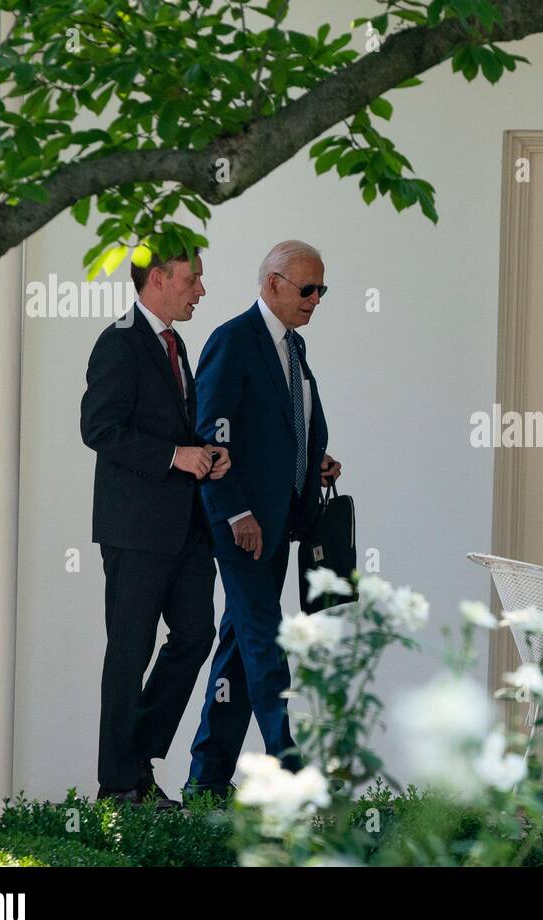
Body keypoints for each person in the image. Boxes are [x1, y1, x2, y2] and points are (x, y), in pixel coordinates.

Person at [186, 240, 341, 799]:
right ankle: (291, 770)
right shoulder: (234, 340)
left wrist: (310, 458)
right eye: (307, 288)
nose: (316, 299)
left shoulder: (293, 348)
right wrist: (237, 510)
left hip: (279, 523)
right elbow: (212, 431)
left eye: (322, 289)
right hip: (242, 525)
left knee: (239, 643)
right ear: (273, 282)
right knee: (263, 641)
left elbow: (278, 428)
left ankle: (207, 778)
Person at [80, 248, 230, 808]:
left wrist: (206, 454)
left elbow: (171, 425)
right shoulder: (118, 341)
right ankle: (119, 784)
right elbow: (98, 429)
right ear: (159, 279)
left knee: (194, 636)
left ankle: (133, 756)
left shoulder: (175, 342)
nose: (201, 291)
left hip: (185, 528)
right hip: (135, 530)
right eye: (192, 280)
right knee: (130, 650)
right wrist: (174, 456)